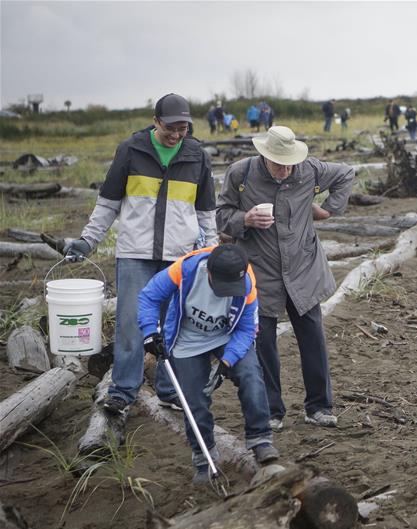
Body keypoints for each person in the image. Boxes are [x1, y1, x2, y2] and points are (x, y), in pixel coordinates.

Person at [63, 93, 218, 415]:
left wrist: (210, 252)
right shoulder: (131, 150)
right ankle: (122, 391)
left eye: (183, 129)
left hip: (179, 256)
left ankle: (168, 390)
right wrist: (87, 240)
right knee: (132, 323)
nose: (176, 135)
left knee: (173, 325)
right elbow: (108, 203)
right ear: (156, 121)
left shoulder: (196, 156)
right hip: (135, 254)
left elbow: (205, 213)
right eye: (170, 128)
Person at [216, 126, 354, 430]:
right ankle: (272, 411)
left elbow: (346, 173)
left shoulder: (309, 170)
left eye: (289, 162)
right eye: (279, 163)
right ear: (264, 155)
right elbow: (221, 215)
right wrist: (246, 219)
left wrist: (328, 210)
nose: (285, 168)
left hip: (303, 266)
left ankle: (319, 406)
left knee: (313, 336)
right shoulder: (240, 174)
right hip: (260, 269)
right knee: (263, 341)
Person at [137, 244, 279, 483]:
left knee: (251, 376)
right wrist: (150, 332)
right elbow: (149, 296)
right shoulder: (186, 269)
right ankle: (204, 459)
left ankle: (260, 438)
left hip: (227, 336)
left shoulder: (246, 284)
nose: (226, 293)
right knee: (194, 400)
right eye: (221, 286)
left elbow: (246, 330)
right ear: (209, 272)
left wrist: (226, 363)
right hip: (187, 340)